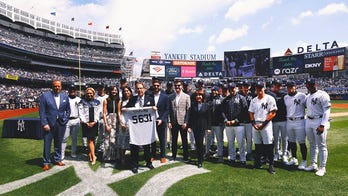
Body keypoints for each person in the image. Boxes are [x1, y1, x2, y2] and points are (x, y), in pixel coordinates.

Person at [124, 82, 156, 174]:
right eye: (137, 88)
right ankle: (134, 165)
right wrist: (124, 108)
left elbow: (153, 111)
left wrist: (154, 108)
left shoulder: (150, 99)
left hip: (146, 127)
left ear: (144, 89)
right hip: (135, 128)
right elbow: (127, 108)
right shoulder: (133, 99)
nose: (139, 90)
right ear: (135, 90)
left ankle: (148, 163)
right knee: (134, 146)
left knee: (147, 146)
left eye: (141, 88)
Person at [39, 80, 71, 171]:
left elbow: (68, 110)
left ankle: (57, 159)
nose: (57, 88)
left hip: (60, 124)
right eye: (55, 86)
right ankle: (46, 162)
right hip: (49, 124)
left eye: (59, 86)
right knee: (47, 144)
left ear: (61, 87)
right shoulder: (45, 96)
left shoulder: (65, 96)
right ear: (52, 86)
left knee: (58, 143)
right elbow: (42, 111)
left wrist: (64, 120)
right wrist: (44, 123)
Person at [248, 81, 277, 174]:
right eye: (257, 88)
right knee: (257, 145)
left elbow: (273, 113)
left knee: (268, 145)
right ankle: (258, 162)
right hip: (256, 124)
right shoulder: (254, 100)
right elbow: (251, 112)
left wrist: (263, 124)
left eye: (260, 88)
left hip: (266, 124)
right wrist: (253, 123)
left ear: (264, 88)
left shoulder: (269, 98)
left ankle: (271, 164)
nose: (259, 90)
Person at [304, 78, 331, 177]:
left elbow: (327, 111)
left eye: (311, 85)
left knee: (321, 145)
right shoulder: (308, 96)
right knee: (312, 144)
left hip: (319, 121)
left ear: (315, 84)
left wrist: (323, 124)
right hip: (309, 120)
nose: (309, 87)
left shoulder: (322, 94)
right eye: (308, 85)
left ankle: (322, 167)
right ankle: (313, 164)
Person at [221, 82, 248, 167]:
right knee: (231, 142)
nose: (232, 90)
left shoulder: (241, 98)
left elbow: (244, 112)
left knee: (241, 143)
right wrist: (225, 120)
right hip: (229, 125)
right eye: (230, 89)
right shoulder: (226, 99)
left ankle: (242, 159)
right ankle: (232, 158)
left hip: (239, 124)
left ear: (236, 88)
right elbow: (222, 111)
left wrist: (235, 120)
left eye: (233, 88)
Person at [284, 80, 307, 170]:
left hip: (300, 120)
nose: (290, 88)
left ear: (295, 87)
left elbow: (308, 106)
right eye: (288, 87)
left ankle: (304, 161)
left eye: (291, 86)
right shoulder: (285, 97)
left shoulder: (302, 96)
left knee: (301, 142)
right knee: (292, 142)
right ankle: (294, 158)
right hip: (289, 121)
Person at [168, 79, 191, 161]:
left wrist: (186, 122)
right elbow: (169, 110)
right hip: (174, 121)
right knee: (174, 140)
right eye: (176, 85)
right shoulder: (171, 97)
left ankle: (185, 156)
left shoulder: (186, 96)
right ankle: (173, 155)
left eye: (179, 85)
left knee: (184, 140)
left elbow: (188, 110)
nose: (177, 87)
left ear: (181, 86)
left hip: (182, 122)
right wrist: (169, 121)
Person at [78, 87, 102, 165]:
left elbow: (98, 112)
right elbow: (81, 113)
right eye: (88, 93)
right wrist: (86, 122)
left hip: (94, 123)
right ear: (85, 94)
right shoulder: (82, 102)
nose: (89, 94)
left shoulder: (97, 102)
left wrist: (95, 121)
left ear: (94, 94)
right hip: (86, 124)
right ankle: (93, 156)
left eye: (91, 93)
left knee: (92, 139)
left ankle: (91, 154)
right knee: (90, 140)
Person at [188, 92, 211, 168]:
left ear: (203, 97)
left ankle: (200, 161)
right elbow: (190, 117)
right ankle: (199, 158)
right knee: (198, 143)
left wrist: (208, 128)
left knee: (200, 143)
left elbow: (208, 118)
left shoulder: (206, 106)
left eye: (200, 95)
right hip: (195, 127)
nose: (199, 97)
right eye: (197, 95)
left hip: (202, 127)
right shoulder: (193, 105)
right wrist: (189, 127)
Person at [150, 79, 170, 163]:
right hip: (151, 121)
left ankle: (162, 156)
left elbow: (167, 109)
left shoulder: (165, 97)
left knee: (162, 139)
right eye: (154, 85)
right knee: (152, 139)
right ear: (152, 85)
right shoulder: (149, 96)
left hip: (162, 121)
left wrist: (162, 119)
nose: (156, 87)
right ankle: (153, 155)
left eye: (157, 85)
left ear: (160, 86)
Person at [102, 86, 121, 164]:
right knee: (107, 138)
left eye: (116, 90)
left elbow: (119, 112)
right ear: (110, 91)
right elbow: (104, 113)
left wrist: (120, 122)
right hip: (109, 119)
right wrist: (106, 124)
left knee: (115, 138)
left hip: (116, 119)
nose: (114, 91)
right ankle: (107, 156)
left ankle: (115, 156)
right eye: (113, 90)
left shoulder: (119, 100)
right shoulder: (106, 100)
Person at [271, 79, 288, 163]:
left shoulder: (285, 94)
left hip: (284, 119)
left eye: (279, 85)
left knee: (285, 138)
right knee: (276, 138)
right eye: (276, 85)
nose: (277, 87)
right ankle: (276, 153)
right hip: (274, 120)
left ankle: (284, 154)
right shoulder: (271, 94)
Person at [61, 84, 81, 160]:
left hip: (76, 119)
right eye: (71, 89)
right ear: (68, 90)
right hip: (67, 120)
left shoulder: (79, 99)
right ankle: (62, 154)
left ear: (75, 91)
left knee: (74, 138)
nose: (72, 91)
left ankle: (73, 152)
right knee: (64, 138)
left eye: (74, 90)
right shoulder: (65, 98)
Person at [207, 86, 225, 163]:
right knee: (208, 140)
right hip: (210, 123)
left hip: (218, 123)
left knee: (219, 140)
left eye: (215, 90)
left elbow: (224, 112)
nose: (214, 92)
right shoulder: (208, 99)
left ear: (218, 91)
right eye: (213, 90)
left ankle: (220, 155)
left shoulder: (221, 99)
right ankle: (207, 153)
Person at [239, 79, 256, 161]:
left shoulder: (252, 95)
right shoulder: (238, 95)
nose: (245, 88)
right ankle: (242, 153)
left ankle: (249, 153)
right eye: (244, 86)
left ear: (249, 87)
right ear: (241, 87)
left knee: (249, 139)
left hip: (249, 121)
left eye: (247, 86)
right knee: (241, 139)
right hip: (240, 120)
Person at [118, 86, 132, 165]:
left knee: (131, 141)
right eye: (125, 91)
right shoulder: (121, 101)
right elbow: (119, 112)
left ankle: (131, 157)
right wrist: (121, 122)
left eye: (128, 91)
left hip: (132, 123)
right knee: (122, 141)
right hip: (123, 123)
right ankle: (122, 157)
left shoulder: (134, 100)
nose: (126, 92)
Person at [95, 84, 109, 153]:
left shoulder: (107, 97)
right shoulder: (95, 97)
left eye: (101, 88)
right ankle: (93, 148)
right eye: (99, 88)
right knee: (95, 134)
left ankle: (102, 148)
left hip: (104, 118)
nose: (100, 89)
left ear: (103, 88)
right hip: (96, 118)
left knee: (103, 134)